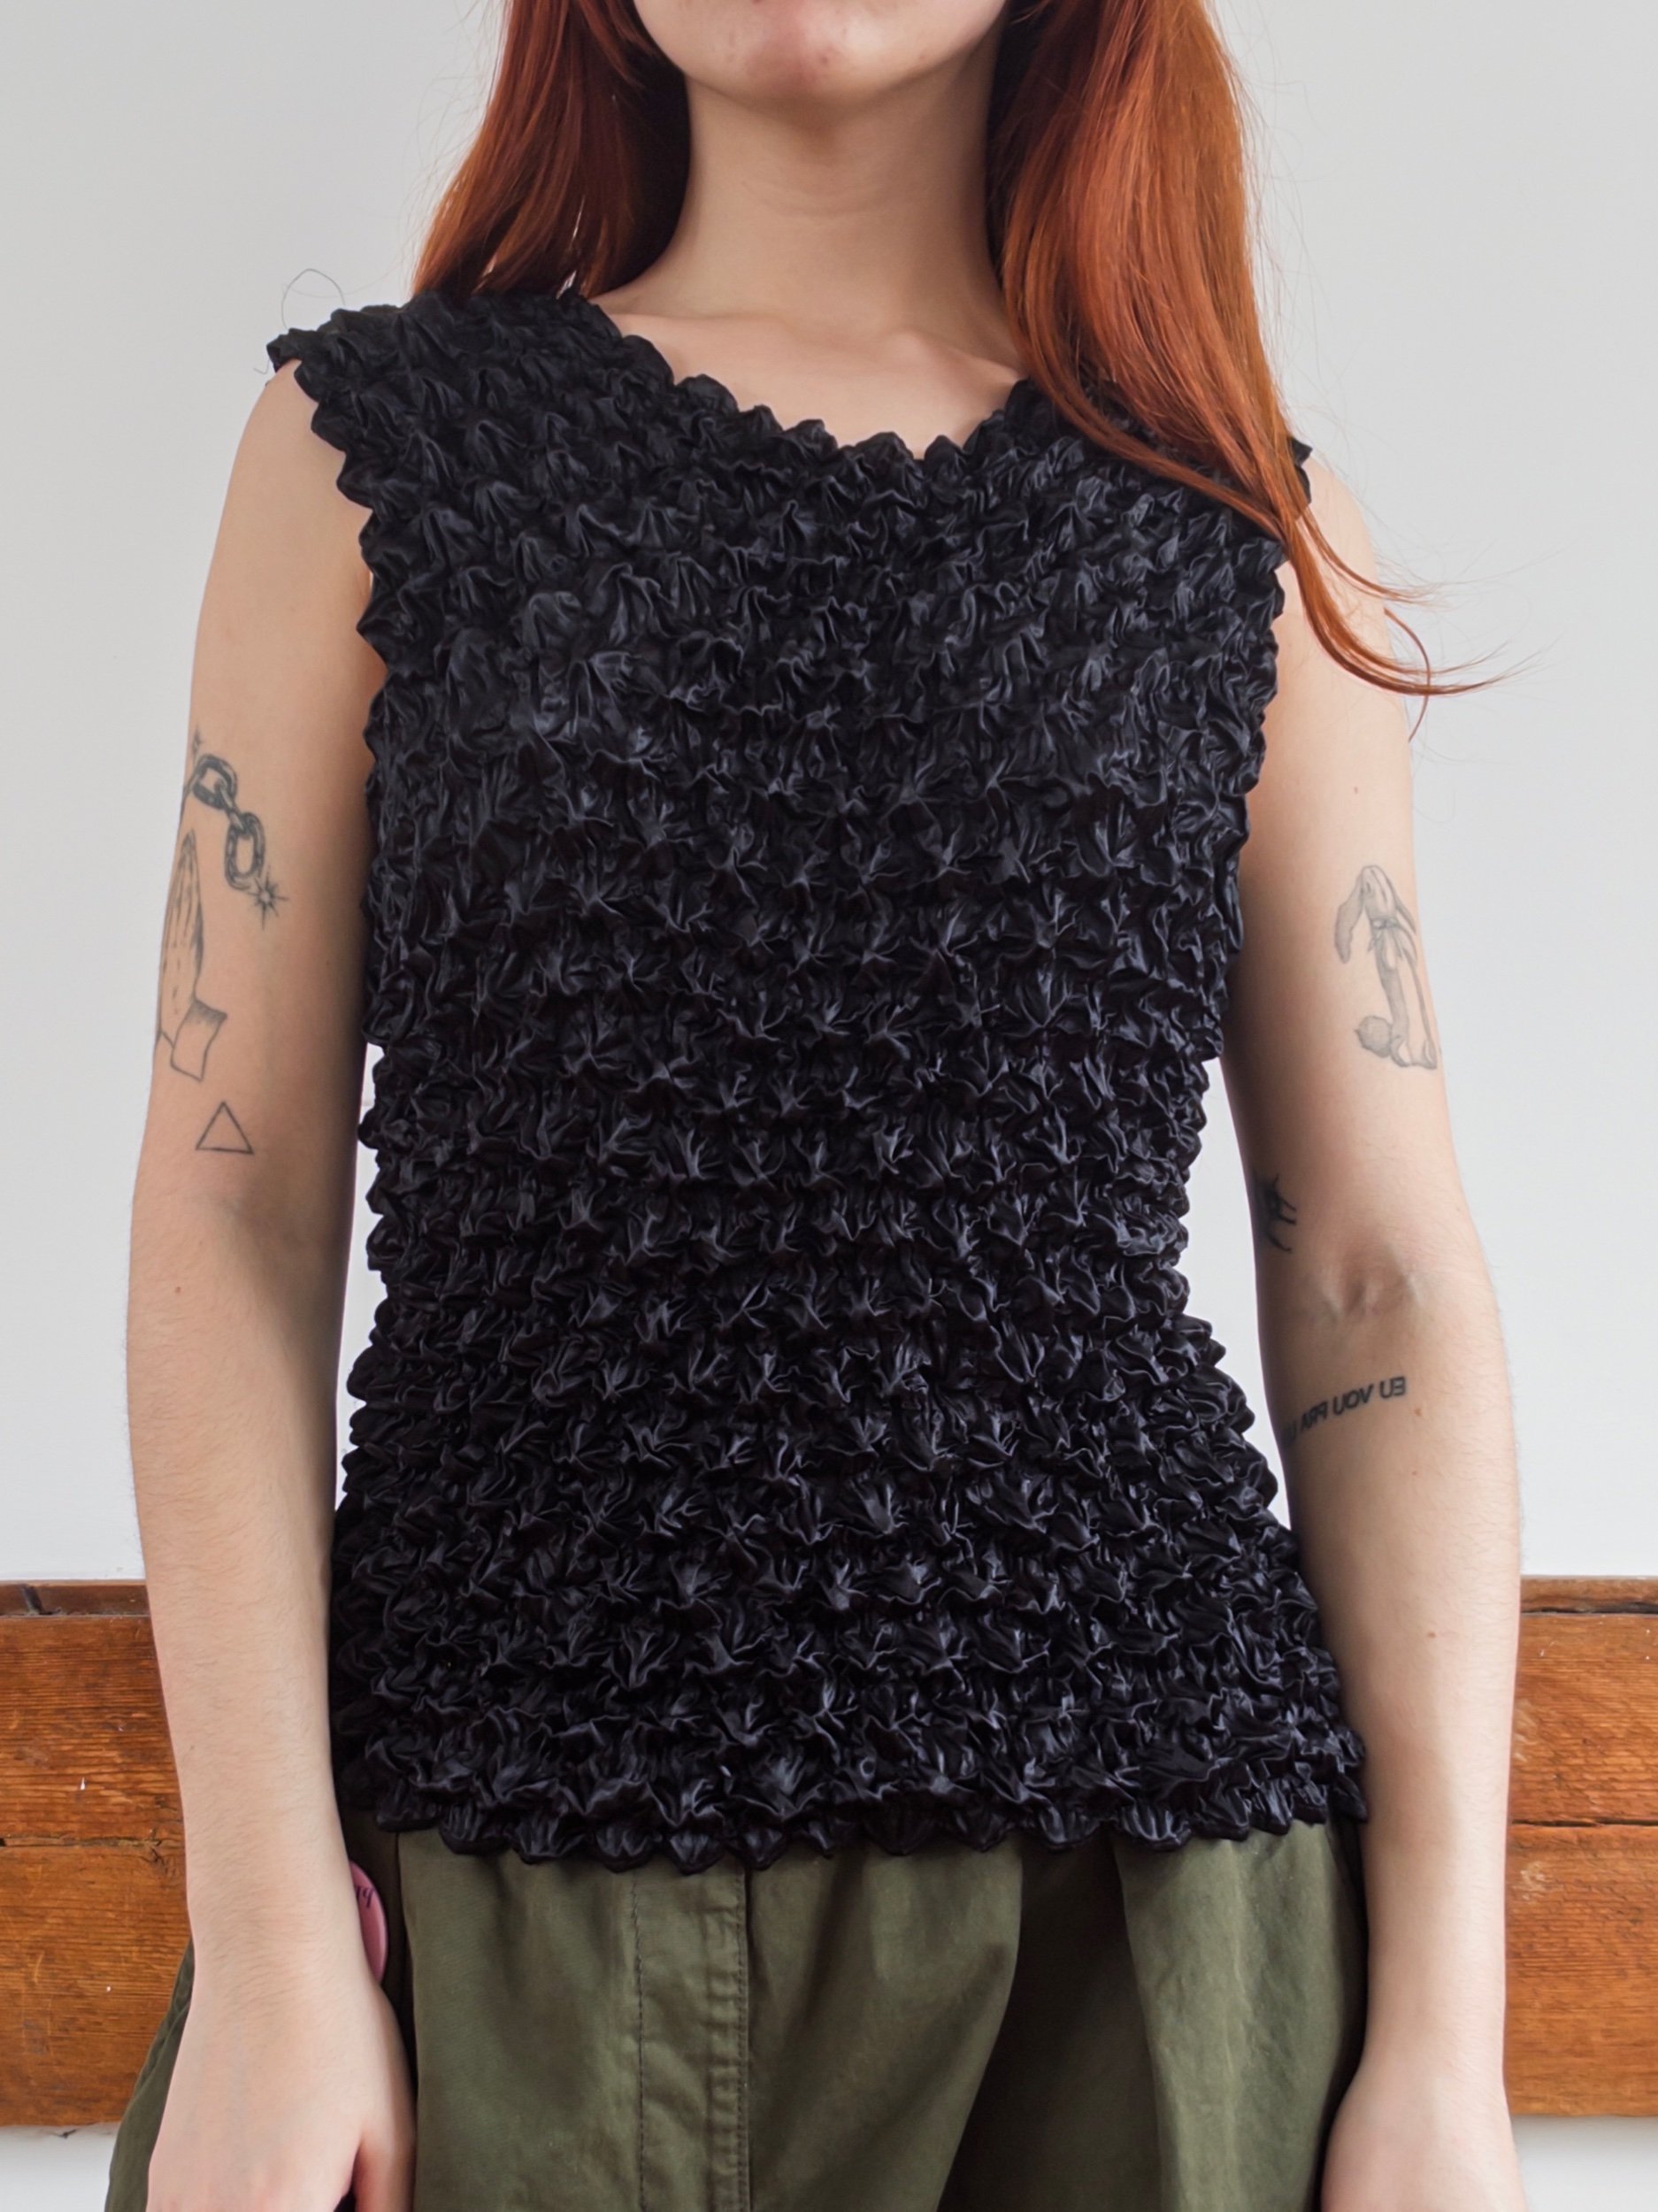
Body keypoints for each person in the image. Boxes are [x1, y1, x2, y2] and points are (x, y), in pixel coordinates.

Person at [106, 4, 1528, 2208]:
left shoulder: (1228, 529)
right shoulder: (370, 450)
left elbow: (1374, 1273)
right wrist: (276, 1943)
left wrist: (1442, 2039)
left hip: (1146, 1917)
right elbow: (234, 1203)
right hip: (491, 1881)